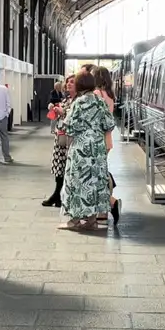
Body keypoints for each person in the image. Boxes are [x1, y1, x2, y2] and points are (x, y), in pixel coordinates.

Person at [58, 71, 115, 231]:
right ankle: (91, 220)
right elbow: (110, 123)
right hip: (97, 147)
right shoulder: (99, 100)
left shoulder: (79, 102)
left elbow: (69, 126)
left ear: (80, 84)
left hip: (81, 147)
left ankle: (74, 221)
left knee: (76, 182)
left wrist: (61, 119)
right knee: (94, 182)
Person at [92, 66, 121, 224]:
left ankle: (110, 203)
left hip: (98, 139)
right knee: (100, 173)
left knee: (96, 175)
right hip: (107, 139)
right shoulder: (110, 95)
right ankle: (103, 210)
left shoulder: (96, 94)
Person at [42, 75, 76, 207]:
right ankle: (57, 195)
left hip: (69, 139)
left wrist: (62, 111)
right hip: (61, 137)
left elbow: (73, 117)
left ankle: (58, 195)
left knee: (65, 168)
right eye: (67, 82)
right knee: (59, 168)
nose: (68, 84)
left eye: (72, 82)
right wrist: (55, 109)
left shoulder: (78, 100)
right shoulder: (67, 98)